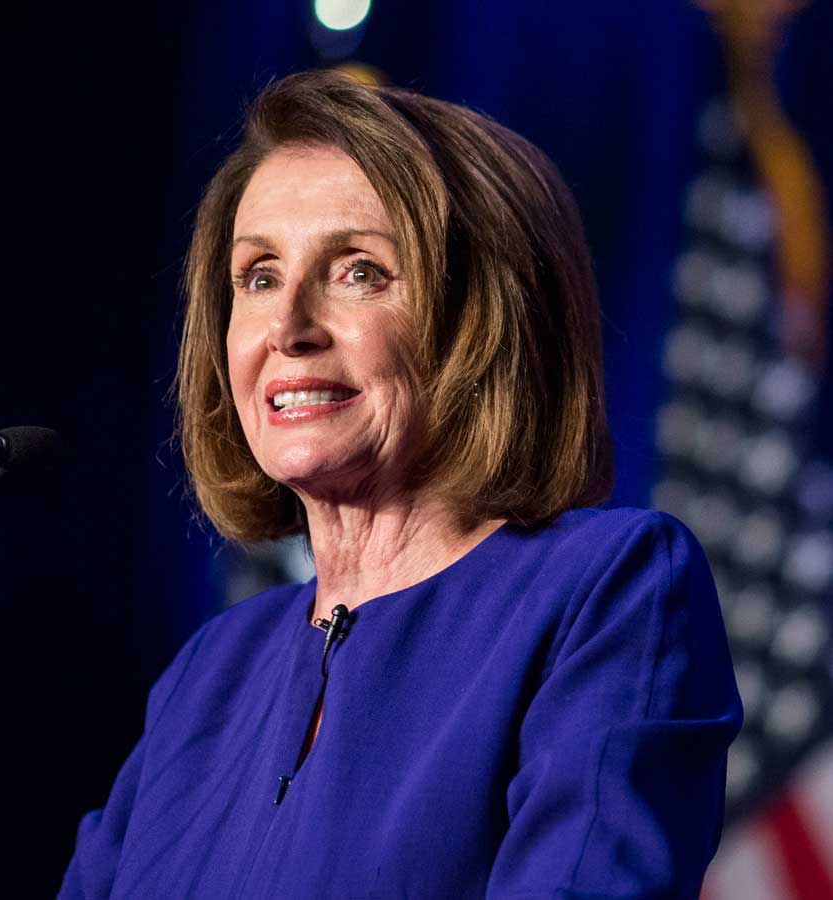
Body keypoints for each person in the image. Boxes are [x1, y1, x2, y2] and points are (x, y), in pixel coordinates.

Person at [58, 71, 742, 899]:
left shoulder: (605, 591)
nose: (288, 329)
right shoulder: (208, 674)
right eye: (259, 275)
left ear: (484, 319)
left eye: (359, 271)